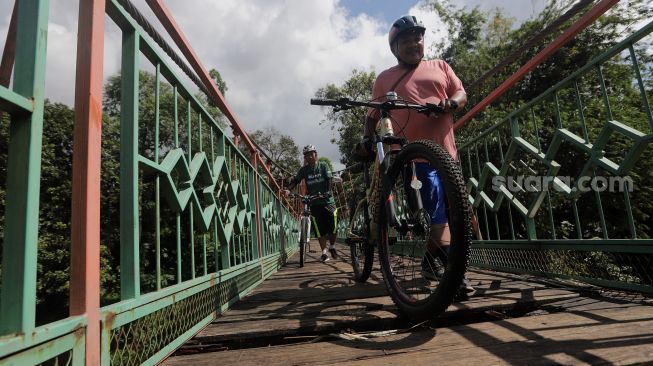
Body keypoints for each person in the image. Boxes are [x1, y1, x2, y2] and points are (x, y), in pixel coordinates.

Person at [364, 15, 475, 298]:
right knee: (438, 216)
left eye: (418, 38)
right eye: (406, 40)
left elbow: (461, 93)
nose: (414, 43)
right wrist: (367, 139)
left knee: (457, 214)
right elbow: (372, 115)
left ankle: (428, 263)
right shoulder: (385, 79)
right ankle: (454, 274)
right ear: (394, 46)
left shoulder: (441, 66)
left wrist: (450, 103)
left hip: (448, 157)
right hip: (413, 158)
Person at [284, 145, 338, 262]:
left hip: (328, 201)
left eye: (311, 154)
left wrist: (328, 191)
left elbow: (329, 179)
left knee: (332, 228)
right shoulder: (304, 170)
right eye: (306, 155)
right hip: (314, 202)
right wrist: (289, 189)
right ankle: (324, 252)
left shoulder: (323, 165)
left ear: (315, 154)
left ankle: (332, 246)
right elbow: (296, 181)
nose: (309, 157)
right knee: (320, 229)